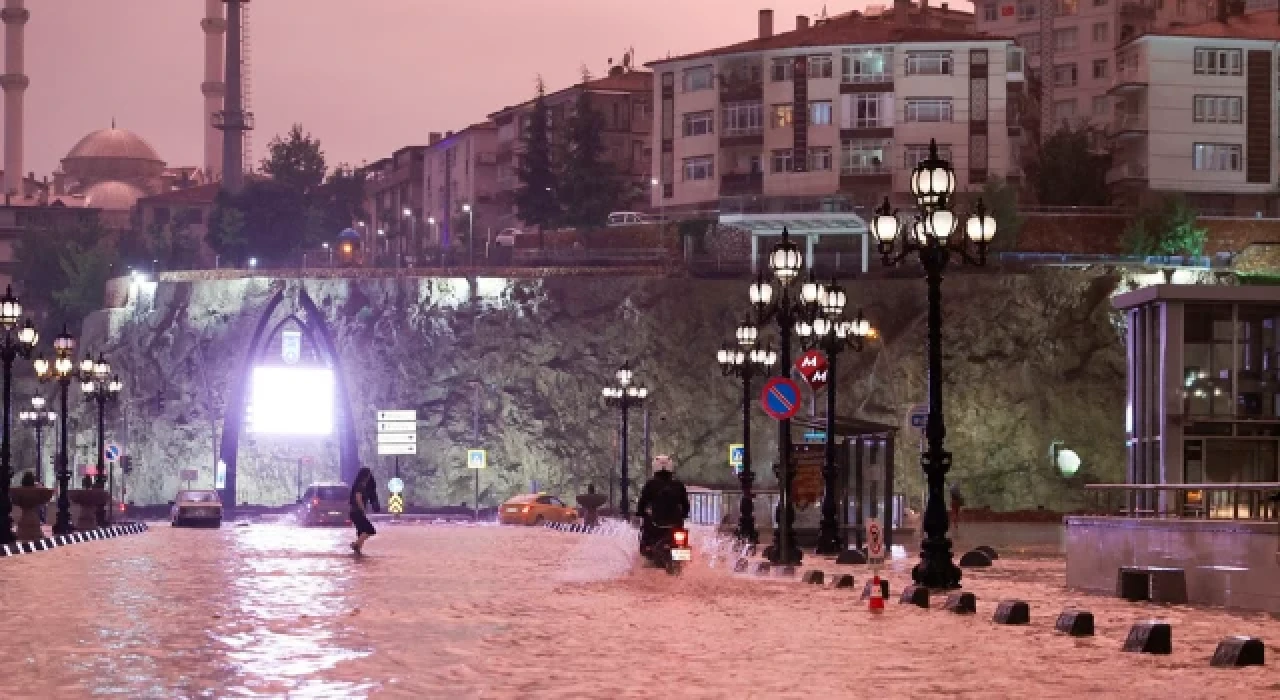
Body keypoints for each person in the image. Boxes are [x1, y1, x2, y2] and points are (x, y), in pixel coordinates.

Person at [636, 456, 689, 556]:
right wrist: (684, 514)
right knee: (682, 547)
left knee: (646, 538)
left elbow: (642, 503)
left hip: (655, 524)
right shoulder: (678, 485)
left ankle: (647, 547)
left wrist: (641, 512)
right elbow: (685, 505)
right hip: (675, 524)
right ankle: (679, 555)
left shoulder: (650, 484)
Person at [349, 467, 380, 554]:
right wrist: (363, 509)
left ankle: (357, 552)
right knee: (370, 530)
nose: (369, 477)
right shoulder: (360, 486)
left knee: (361, 532)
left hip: (354, 512)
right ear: (365, 476)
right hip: (357, 512)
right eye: (368, 475)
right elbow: (358, 497)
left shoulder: (359, 485)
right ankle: (355, 544)